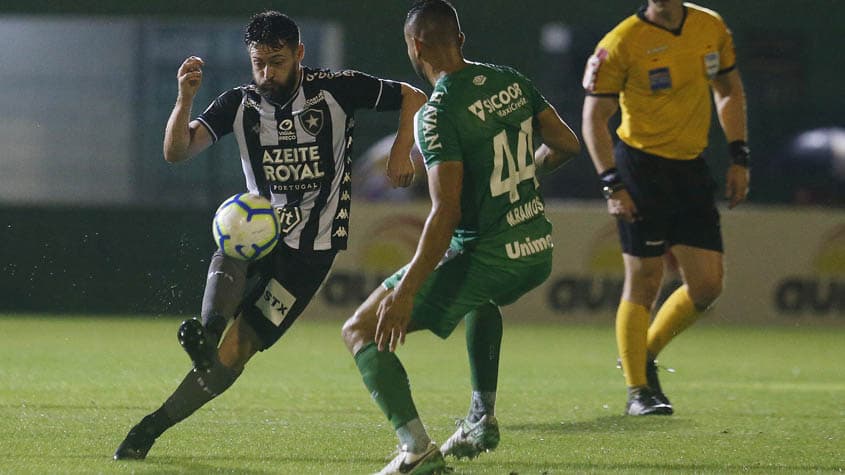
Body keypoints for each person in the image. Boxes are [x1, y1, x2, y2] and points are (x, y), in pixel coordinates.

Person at [113, 10, 426, 460]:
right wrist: (183, 99)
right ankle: (207, 332)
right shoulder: (239, 104)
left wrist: (400, 152)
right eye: (258, 62)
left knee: (239, 350)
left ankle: (152, 426)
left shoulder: (336, 89)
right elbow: (176, 152)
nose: (266, 72)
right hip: (262, 230)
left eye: (276, 61)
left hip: (311, 253)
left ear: (299, 53)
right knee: (237, 231)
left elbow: (412, 95)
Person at [341, 1, 581, 473]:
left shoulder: (436, 114)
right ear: (461, 39)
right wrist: (524, 173)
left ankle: (416, 449)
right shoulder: (511, 80)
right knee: (479, 299)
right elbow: (567, 144)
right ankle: (480, 419)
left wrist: (405, 291)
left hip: (490, 253)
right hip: (536, 249)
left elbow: (444, 213)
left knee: (361, 330)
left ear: (416, 46)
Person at [581, 0, 750, 416]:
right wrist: (611, 183)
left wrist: (739, 156)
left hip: (691, 168)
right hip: (641, 168)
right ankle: (638, 391)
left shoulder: (710, 25)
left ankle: (644, 353)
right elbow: (594, 116)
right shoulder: (622, 42)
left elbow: (728, 89)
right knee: (644, 278)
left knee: (708, 285)